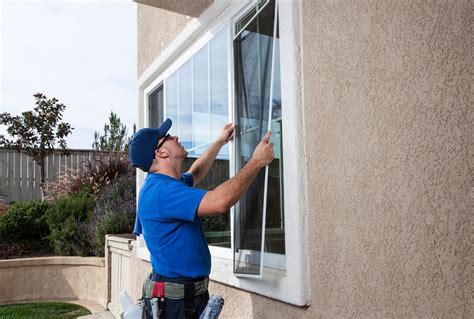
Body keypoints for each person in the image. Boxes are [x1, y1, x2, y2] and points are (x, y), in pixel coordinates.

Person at [129, 118, 274, 319]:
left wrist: (219, 141)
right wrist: (256, 161)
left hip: (184, 297)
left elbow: (195, 173)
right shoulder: (162, 192)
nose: (176, 137)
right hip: (176, 305)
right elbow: (220, 201)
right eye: (168, 137)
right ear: (161, 153)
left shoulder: (166, 184)